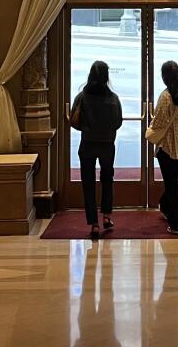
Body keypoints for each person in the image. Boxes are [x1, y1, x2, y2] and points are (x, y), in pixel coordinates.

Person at [70, 60, 123, 240]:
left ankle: (93, 224)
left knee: (88, 183)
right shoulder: (113, 98)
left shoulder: (82, 97)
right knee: (107, 179)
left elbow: (73, 120)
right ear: (107, 77)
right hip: (107, 145)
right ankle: (107, 215)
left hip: (87, 144)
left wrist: (87, 127)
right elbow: (118, 122)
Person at [146, 60, 178, 235]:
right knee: (172, 180)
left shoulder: (165, 97)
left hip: (166, 147)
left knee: (171, 184)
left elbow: (158, 121)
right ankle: (165, 207)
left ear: (165, 76)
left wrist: (149, 128)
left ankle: (177, 223)